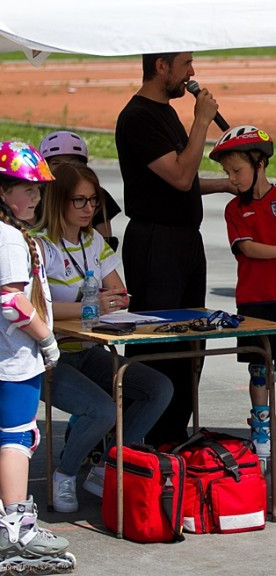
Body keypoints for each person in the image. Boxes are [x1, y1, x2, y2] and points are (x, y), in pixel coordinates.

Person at [36, 162, 173, 512]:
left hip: (88, 349)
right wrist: (91, 305)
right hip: (49, 356)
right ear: (58, 201)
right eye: (79, 200)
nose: (88, 209)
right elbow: (38, 308)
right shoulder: (39, 246)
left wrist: (108, 302)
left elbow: (119, 293)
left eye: (93, 200)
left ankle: (106, 467)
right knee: (101, 410)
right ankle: (65, 474)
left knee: (158, 388)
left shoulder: (93, 240)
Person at [115, 52, 234, 446]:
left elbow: (180, 180)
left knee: (189, 340)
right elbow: (182, 177)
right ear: (161, 66)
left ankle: (171, 434)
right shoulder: (139, 117)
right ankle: (143, 437)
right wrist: (201, 121)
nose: (192, 73)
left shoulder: (164, 112)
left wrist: (225, 185)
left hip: (183, 240)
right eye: (186, 64)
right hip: (156, 242)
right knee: (160, 339)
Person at [210, 125, 276, 474]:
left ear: (259, 164)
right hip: (254, 301)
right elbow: (246, 248)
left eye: (236, 171)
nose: (231, 178)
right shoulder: (234, 209)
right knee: (259, 368)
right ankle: (260, 428)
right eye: (227, 172)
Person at [0, 141, 75, 573]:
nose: (36, 197)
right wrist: (47, 340)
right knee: (17, 438)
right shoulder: (11, 238)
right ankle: (17, 527)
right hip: (14, 359)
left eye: (37, 189)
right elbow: (12, 302)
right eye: (26, 189)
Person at [39, 130, 123, 250]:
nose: (65, 169)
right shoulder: (37, 196)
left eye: (73, 163)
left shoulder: (96, 194)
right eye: (57, 163)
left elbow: (106, 241)